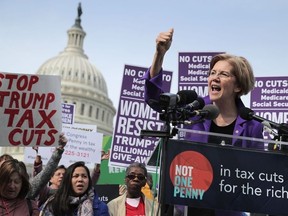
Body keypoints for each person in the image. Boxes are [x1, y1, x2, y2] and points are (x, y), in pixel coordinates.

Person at [143, 28, 265, 216]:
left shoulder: (252, 126)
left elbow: (260, 177)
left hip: (227, 211)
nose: (214, 77)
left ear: (238, 85)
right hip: (187, 207)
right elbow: (155, 99)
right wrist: (159, 54)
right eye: (212, 72)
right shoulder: (192, 110)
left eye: (223, 74)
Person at [40, 161, 108, 216]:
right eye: (76, 176)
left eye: (84, 176)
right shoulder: (53, 204)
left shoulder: (100, 208)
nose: (80, 179)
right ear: (68, 180)